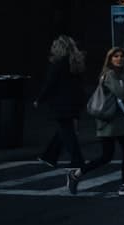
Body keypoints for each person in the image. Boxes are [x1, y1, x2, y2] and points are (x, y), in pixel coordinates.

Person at [67, 47, 124, 196]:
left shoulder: (120, 74)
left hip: (120, 121)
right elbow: (122, 94)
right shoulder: (110, 75)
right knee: (107, 156)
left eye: (121, 56)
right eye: (116, 56)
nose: (119, 59)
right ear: (110, 59)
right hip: (110, 121)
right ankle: (76, 174)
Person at [35, 35, 86, 170]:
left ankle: (77, 160)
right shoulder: (75, 62)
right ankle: (49, 156)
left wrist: (39, 99)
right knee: (65, 130)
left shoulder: (57, 64)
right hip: (74, 102)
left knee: (67, 132)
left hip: (61, 103)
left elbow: (49, 84)